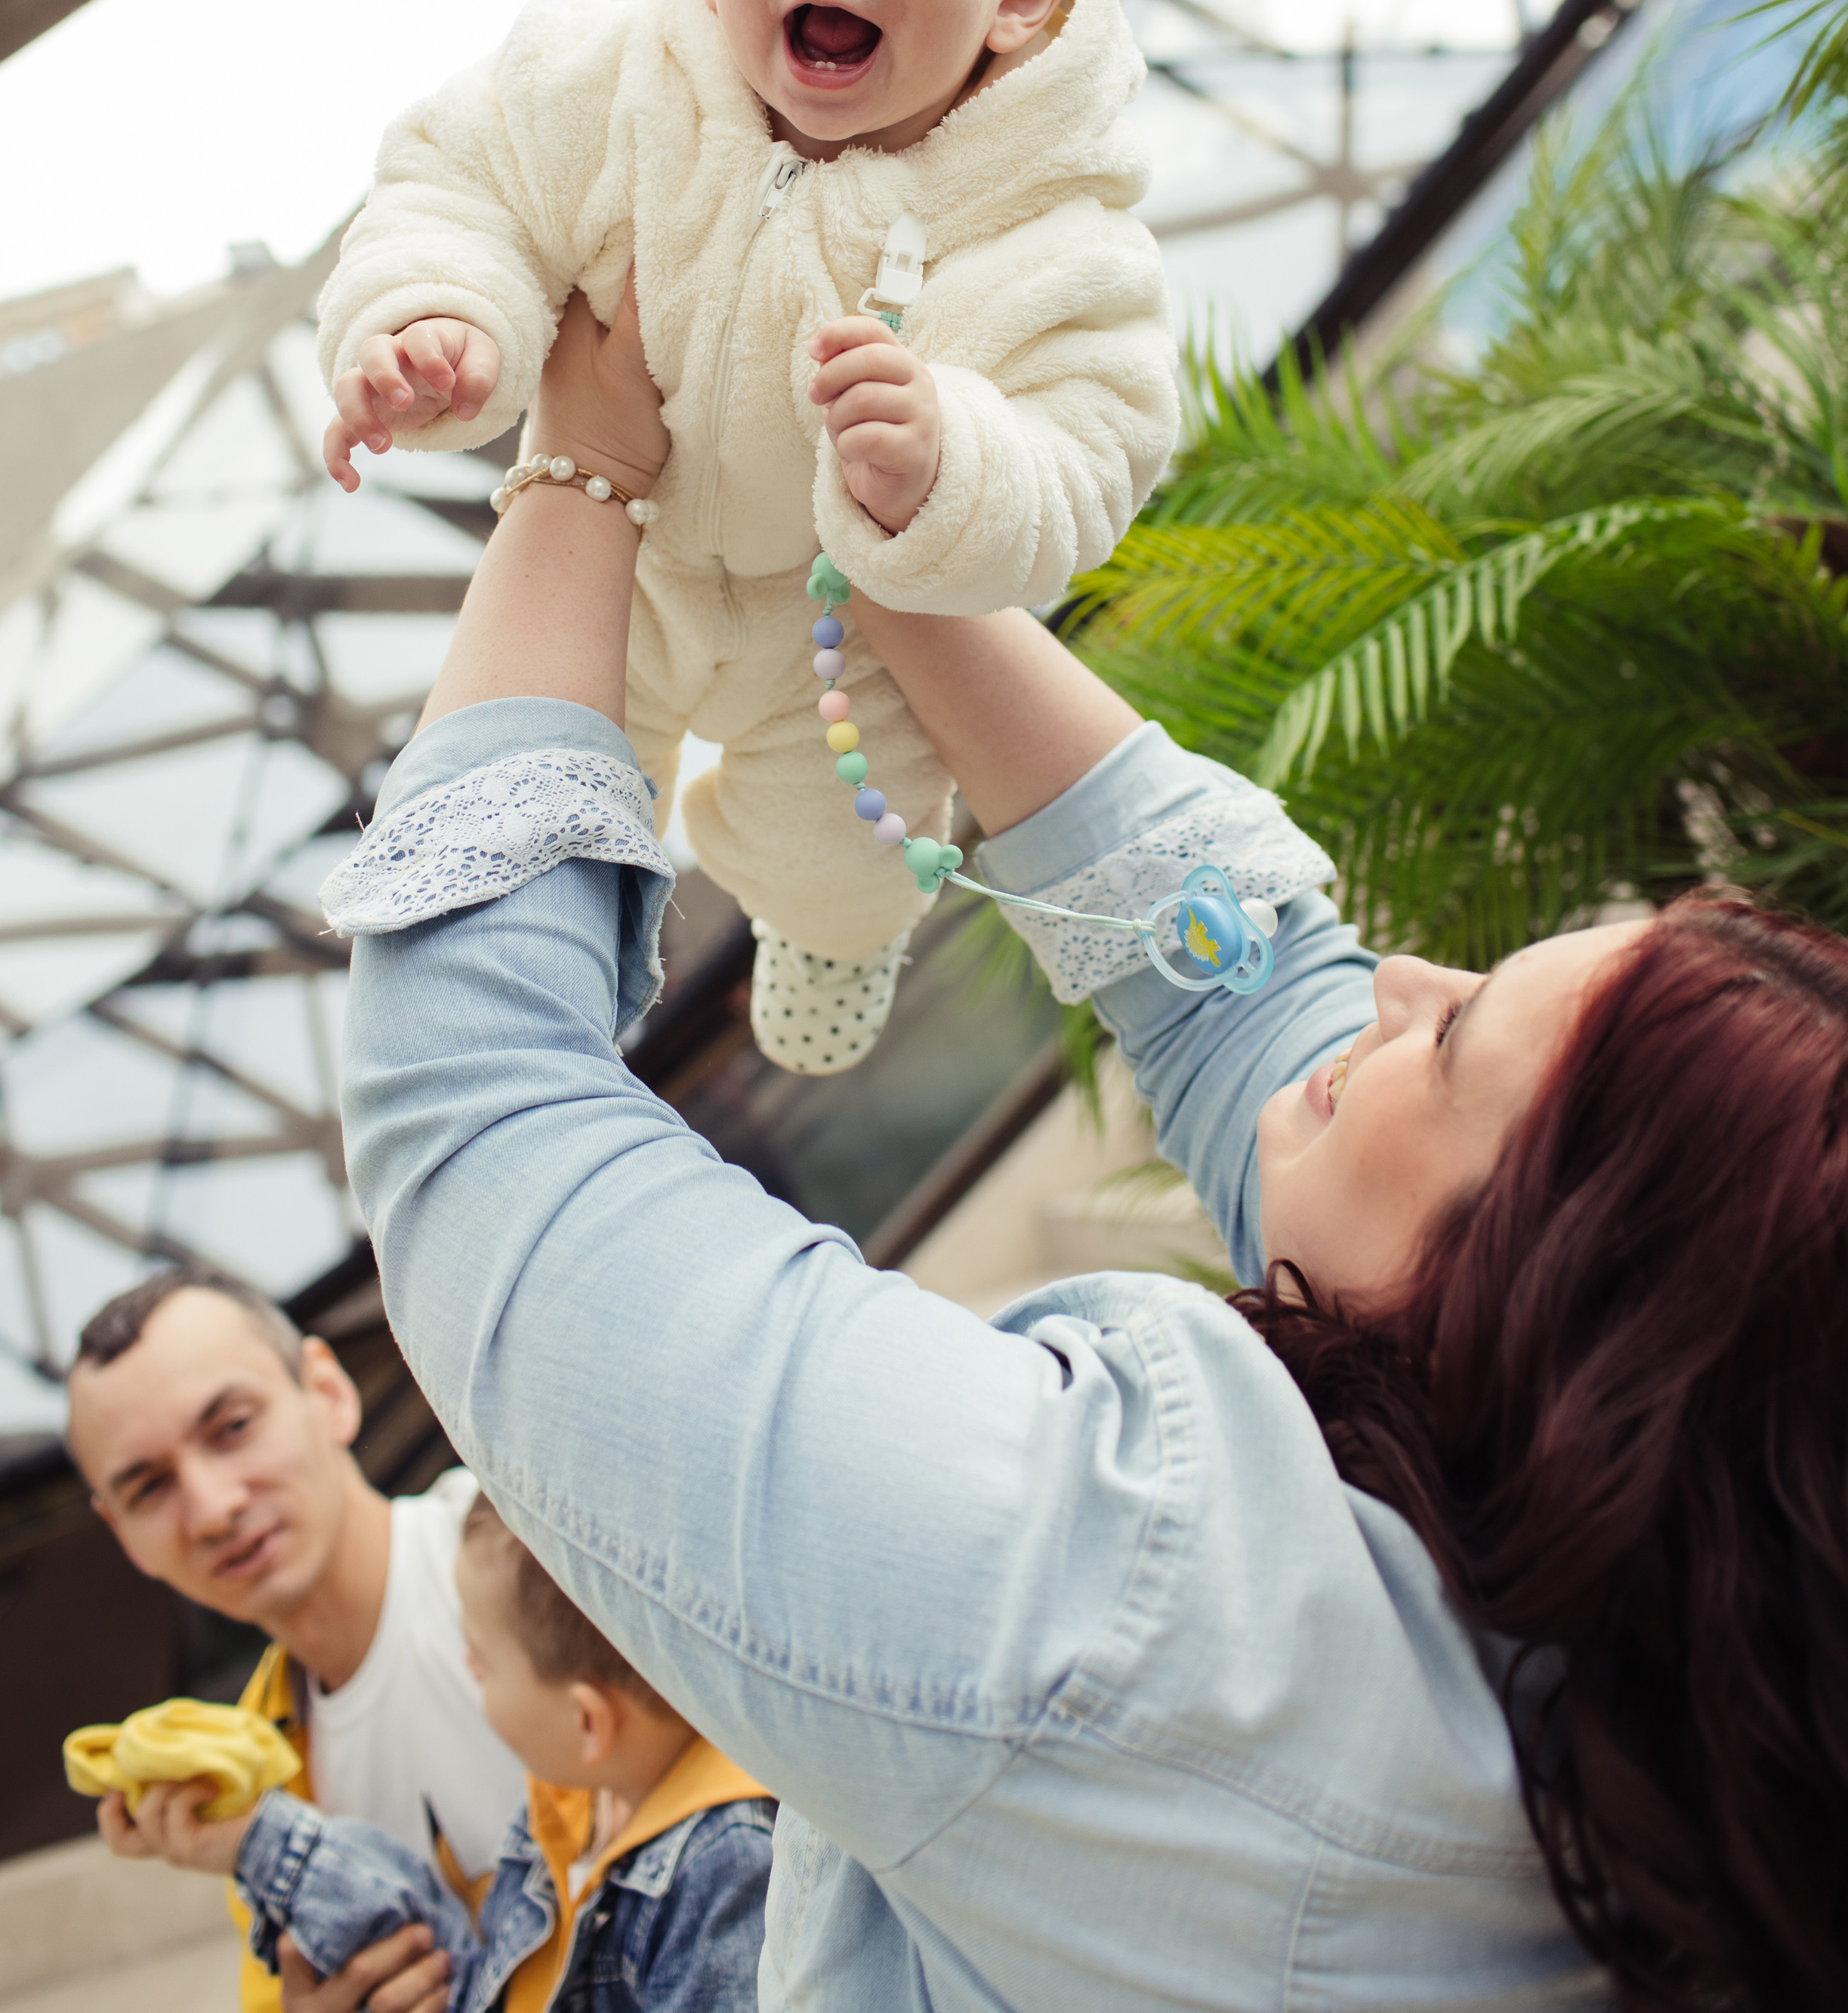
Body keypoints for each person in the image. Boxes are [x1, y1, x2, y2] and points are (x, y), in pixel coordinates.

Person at [320, 279, 1848, 2011]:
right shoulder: (1651, 1684)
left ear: (1555, 1306)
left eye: (1456, 1036)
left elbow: (474, 1102)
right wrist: (881, 543)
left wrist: (581, 472)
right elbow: (1243, 983)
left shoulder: (1109, 1598)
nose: (1399, 978)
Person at [314, 0, 1179, 1076]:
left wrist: (949, 461)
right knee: (538, 785)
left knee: (844, 851)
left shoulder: (1050, 230)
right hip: (625, 573)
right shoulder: (607, 84)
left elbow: (1095, 450)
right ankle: (555, 1005)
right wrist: (439, 323)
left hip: (830, 625)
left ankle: (835, 941)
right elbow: (462, 188)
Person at [103, 1491, 774, 2013]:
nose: (467, 1667)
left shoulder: (728, 1866)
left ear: (588, 1723)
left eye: (481, 1662)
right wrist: (260, 1844)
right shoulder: (566, 1808)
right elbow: (455, 1962)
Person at [67, 1269, 526, 2013]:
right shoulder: (244, 1783)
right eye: (150, 1487)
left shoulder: (537, 1556)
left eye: (233, 1428)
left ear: (328, 1393)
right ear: (126, 1538)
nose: (213, 1509)